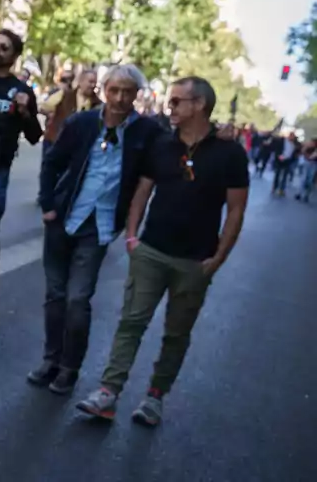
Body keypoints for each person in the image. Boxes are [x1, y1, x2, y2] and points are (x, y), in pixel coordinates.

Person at [78, 76, 248, 427]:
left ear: (199, 105)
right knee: (131, 322)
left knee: (176, 333)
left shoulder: (230, 153)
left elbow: (235, 211)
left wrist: (218, 259)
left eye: (175, 102)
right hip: (151, 250)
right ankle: (108, 392)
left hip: (195, 260)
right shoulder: (162, 143)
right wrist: (131, 237)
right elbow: (143, 190)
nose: (168, 107)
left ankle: (155, 397)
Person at [31, 65, 158, 395]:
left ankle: (69, 368)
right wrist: (48, 204)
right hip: (64, 219)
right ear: (103, 89)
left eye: (127, 91)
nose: (119, 98)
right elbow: (52, 162)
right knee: (55, 295)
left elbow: (173, 153)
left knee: (78, 299)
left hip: (99, 228)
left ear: (136, 95)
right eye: (114, 90)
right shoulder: (82, 123)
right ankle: (50, 359)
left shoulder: (146, 132)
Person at [0, 28, 42, 304]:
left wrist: (26, 112)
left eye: (5, 48)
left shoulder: (22, 91)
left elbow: (34, 135)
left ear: (14, 56)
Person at [40, 68, 100, 147]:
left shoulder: (97, 103)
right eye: (90, 82)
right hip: (56, 141)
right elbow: (43, 107)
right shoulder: (64, 95)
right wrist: (52, 115)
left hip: (79, 145)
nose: (93, 85)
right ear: (81, 81)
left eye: (95, 82)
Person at [271, 132, 299, 197]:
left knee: (285, 176)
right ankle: (275, 187)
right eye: (291, 136)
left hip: (287, 161)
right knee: (277, 174)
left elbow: (295, 152)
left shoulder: (294, 144)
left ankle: (282, 189)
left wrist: (293, 158)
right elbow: (277, 148)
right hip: (280, 159)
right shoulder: (282, 141)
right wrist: (278, 156)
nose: (292, 138)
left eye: (293, 137)